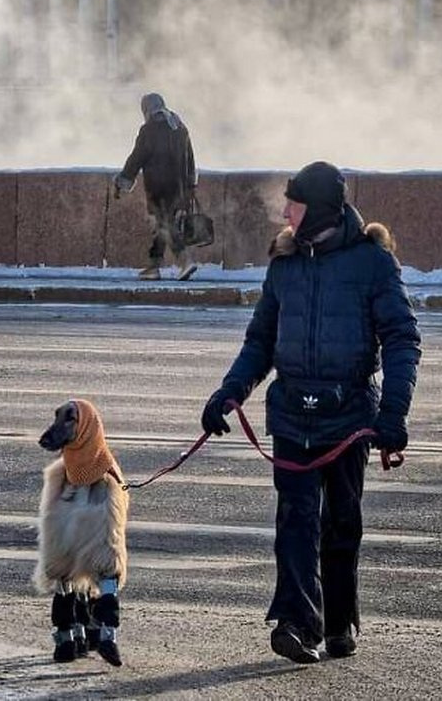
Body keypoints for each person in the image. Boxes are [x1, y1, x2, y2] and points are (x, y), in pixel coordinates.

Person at [200, 161, 420, 664]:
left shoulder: (372, 262)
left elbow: (403, 339)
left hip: (349, 417)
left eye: (293, 203)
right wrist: (228, 393)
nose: (285, 211)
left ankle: (340, 622)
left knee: (341, 523)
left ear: (318, 207)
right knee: (295, 522)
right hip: (292, 415)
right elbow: (260, 343)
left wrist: (393, 415)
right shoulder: (285, 263)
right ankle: (298, 624)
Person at [113, 92, 198, 281]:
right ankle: (154, 267)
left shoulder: (149, 130)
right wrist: (191, 185)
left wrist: (122, 182)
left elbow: (136, 158)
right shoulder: (180, 127)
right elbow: (190, 159)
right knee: (162, 225)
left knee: (164, 224)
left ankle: (185, 260)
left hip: (158, 186)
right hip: (179, 186)